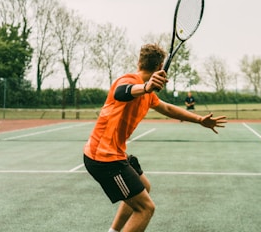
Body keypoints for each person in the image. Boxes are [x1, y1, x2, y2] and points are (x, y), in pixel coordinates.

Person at [83, 43, 227, 232]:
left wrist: (200, 119)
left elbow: (167, 108)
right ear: (160, 68)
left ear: (139, 62)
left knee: (144, 186)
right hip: (103, 159)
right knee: (146, 209)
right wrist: (146, 86)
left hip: (113, 154)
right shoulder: (128, 81)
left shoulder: (148, 94)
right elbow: (122, 92)